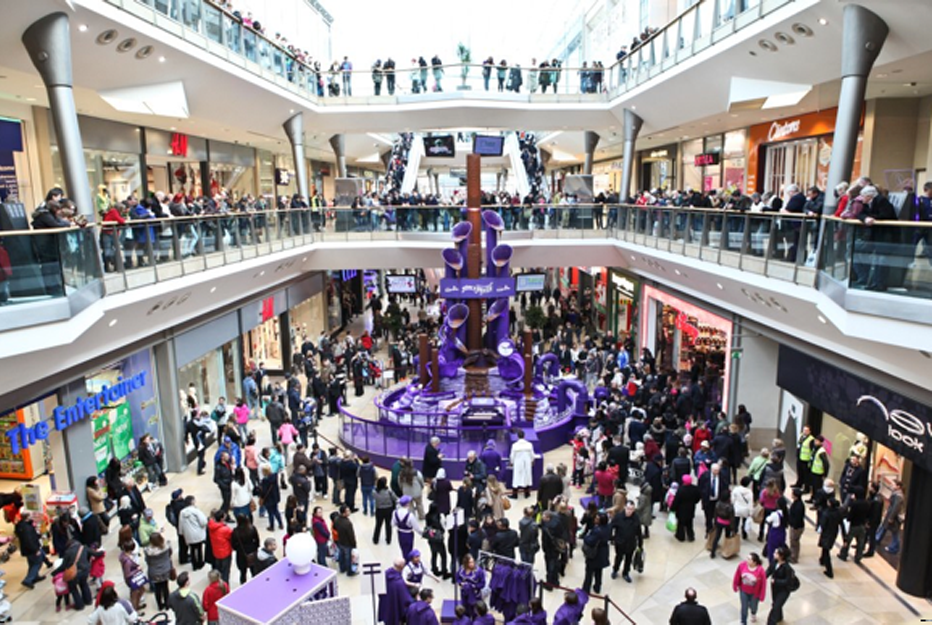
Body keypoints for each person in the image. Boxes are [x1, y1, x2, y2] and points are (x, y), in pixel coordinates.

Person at [610, 500, 643, 583]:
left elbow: (639, 532)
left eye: (631, 509)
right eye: (628, 508)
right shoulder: (618, 517)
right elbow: (611, 527)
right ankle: (615, 570)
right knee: (618, 557)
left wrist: (640, 544)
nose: (629, 511)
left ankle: (626, 573)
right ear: (625, 507)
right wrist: (612, 538)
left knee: (628, 559)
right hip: (620, 543)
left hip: (631, 543)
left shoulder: (636, 518)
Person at [14, 511, 48, 589]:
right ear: (27, 517)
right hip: (32, 549)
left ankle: (35, 577)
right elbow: (29, 540)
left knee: (32, 564)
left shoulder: (20, 526)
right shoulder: (27, 528)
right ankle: (28, 580)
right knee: (37, 563)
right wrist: (36, 550)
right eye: (30, 515)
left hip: (26, 549)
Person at [733, 552, 767, 625]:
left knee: (753, 606)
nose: (747, 560)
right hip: (743, 590)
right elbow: (737, 575)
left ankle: (753, 613)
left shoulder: (760, 571)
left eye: (749, 559)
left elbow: (763, 584)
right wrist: (735, 585)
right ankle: (743, 621)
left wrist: (762, 595)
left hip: (755, 593)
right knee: (744, 607)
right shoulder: (742, 565)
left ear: (754, 562)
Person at [765, 546, 795, 625]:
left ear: (781, 556)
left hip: (784, 590)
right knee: (776, 603)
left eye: (776, 553)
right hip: (775, 588)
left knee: (775, 607)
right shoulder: (774, 562)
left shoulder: (787, 568)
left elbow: (787, 581)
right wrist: (763, 577)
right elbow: (769, 570)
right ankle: (779, 617)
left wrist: (776, 581)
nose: (773, 554)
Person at [144, 531, 173, 611]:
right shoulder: (166, 547)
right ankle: (167, 604)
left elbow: (147, 561)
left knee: (157, 589)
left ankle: (160, 605)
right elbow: (170, 554)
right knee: (165, 587)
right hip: (165, 569)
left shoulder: (148, 551)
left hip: (154, 572)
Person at [582, 512, 610, 594]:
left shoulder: (597, 531)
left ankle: (586, 588)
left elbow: (590, 541)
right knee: (599, 571)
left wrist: (586, 537)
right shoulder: (607, 528)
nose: (595, 520)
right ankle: (597, 587)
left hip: (595, 554)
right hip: (603, 553)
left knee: (589, 572)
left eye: (597, 519)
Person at [380, 558, 414, 625]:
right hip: (395, 609)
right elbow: (406, 600)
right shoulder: (399, 583)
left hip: (386, 605)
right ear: (401, 566)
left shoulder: (385, 575)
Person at [179, 496, 208, 570]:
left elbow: (180, 524)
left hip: (189, 535)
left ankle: (194, 565)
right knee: (199, 548)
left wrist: (181, 533)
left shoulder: (182, 512)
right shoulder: (196, 511)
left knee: (192, 549)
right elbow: (203, 522)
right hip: (198, 534)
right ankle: (200, 563)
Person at [876, 479, 905, 554]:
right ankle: (877, 539)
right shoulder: (895, 494)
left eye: (893, 484)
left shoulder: (899, 496)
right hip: (890, 515)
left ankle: (894, 548)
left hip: (894, 517)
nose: (891, 486)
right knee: (884, 527)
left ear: (898, 486)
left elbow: (895, 508)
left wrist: (891, 517)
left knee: (895, 532)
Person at [671, 474, 701, 542]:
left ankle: (680, 536)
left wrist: (673, 508)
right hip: (691, 508)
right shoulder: (695, 489)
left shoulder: (681, 490)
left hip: (681, 510)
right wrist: (694, 502)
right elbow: (698, 497)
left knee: (681, 524)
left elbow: (676, 501)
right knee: (689, 523)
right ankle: (691, 536)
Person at [231, 514, 260, 584]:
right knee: (254, 571)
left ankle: (243, 585)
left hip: (241, 553)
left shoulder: (236, 531)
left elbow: (233, 544)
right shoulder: (252, 528)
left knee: (243, 572)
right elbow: (257, 540)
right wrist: (255, 548)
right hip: (252, 551)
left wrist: (237, 549)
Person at [818, 497, 842, 578]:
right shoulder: (838, 513)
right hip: (833, 532)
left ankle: (829, 570)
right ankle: (822, 560)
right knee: (825, 548)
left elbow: (823, 524)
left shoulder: (827, 513)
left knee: (826, 549)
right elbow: (841, 524)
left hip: (826, 533)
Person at [394, 495, 422, 561]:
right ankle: (408, 563)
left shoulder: (395, 513)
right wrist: (423, 533)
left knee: (403, 550)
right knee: (409, 550)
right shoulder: (410, 515)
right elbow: (416, 528)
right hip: (408, 534)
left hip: (400, 533)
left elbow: (393, 523)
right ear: (407, 504)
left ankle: (404, 561)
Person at [208, 510, 234, 583]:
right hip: (225, 552)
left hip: (216, 551)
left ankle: (218, 583)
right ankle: (225, 587)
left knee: (218, 570)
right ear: (222, 519)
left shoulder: (211, 526)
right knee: (225, 571)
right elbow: (232, 537)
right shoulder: (225, 529)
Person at [510, 429, 535, 498]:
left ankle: (515, 495)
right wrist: (532, 461)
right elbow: (532, 455)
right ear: (524, 436)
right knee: (526, 477)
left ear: (517, 436)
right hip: (527, 463)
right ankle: (527, 494)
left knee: (516, 478)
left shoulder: (514, 445)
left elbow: (512, 456)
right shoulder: (529, 445)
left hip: (518, 464)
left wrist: (512, 462)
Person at [333, 504, 357, 575]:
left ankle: (342, 568)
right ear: (344, 513)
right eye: (348, 511)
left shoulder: (336, 519)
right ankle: (349, 571)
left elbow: (334, 528)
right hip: (347, 543)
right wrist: (354, 544)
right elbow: (351, 535)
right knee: (348, 557)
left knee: (341, 555)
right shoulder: (347, 523)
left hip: (340, 541)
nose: (349, 512)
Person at [259, 465, 284, 532]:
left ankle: (272, 526)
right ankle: (281, 524)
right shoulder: (274, 477)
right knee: (276, 511)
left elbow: (264, 491)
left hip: (268, 499)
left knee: (270, 513)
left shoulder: (265, 481)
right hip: (275, 497)